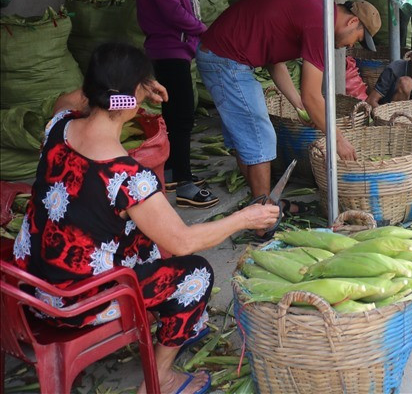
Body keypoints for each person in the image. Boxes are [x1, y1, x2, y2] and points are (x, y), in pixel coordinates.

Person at [12, 43, 279, 394]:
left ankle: (172, 325)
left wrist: (133, 89)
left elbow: (76, 98)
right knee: (195, 272)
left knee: (147, 240)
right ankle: (162, 379)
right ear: (128, 101)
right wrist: (245, 217)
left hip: (32, 283)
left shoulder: (59, 123)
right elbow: (182, 241)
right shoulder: (129, 178)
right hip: (76, 304)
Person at [196, 0, 381, 206]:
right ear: (352, 22)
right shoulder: (321, 25)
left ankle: (263, 205)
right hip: (226, 59)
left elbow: (275, 63)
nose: (349, 47)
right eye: (356, 40)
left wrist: (298, 105)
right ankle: (264, 216)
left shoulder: (317, 13)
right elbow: (312, 96)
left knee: (247, 138)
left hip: (221, 54)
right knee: (260, 138)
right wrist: (338, 140)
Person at [136, 0, 218, 209]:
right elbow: (173, 13)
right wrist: (204, 29)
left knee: (177, 114)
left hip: (174, 51)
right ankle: (184, 185)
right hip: (169, 52)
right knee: (181, 116)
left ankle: (172, 172)